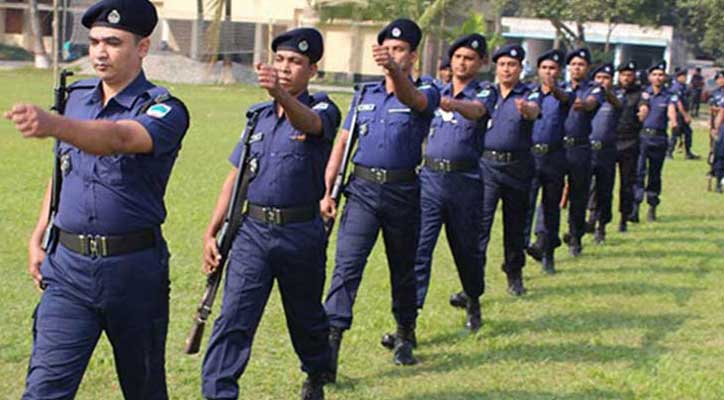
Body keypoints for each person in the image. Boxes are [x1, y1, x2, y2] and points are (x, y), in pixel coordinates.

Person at [4, 1, 190, 398]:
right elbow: (63, 172)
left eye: (113, 42)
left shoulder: (164, 108)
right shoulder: (76, 98)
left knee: (144, 390)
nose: (100, 52)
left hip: (133, 273)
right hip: (68, 271)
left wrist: (54, 123)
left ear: (142, 47)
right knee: (43, 390)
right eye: (94, 42)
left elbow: (120, 138)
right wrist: (39, 235)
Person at [199, 28, 340, 400]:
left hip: (300, 233)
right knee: (234, 317)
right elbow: (236, 176)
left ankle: (316, 371)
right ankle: (218, 392)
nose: (285, 67)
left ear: (312, 70)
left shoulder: (323, 109)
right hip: (253, 233)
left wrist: (280, 94)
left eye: (295, 62)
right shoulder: (257, 118)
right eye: (280, 60)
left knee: (305, 317)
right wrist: (212, 231)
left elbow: (309, 124)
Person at [322, 18, 440, 372]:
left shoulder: (427, 89)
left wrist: (394, 72)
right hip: (362, 191)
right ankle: (330, 344)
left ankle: (405, 332)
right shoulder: (364, 94)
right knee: (346, 267)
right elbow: (344, 142)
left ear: (413, 56)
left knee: (402, 268)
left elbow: (413, 99)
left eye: (399, 50)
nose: (392, 54)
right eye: (387, 49)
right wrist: (327, 189)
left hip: (402, 192)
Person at [407, 33, 490, 333]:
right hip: (430, 179)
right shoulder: (434, 91)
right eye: (457, 57)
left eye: (469, 58)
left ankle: (473, 298)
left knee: (466, 250)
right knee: (419, 250)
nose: (462, 63)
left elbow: (477, 111)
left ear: (481, 63)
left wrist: (451, 104)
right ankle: (408, 322)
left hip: (464, 182)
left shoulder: (484, 92)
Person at [476, 43, 541, 296]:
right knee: (480, 225)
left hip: (517, 167)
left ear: (520, 68)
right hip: (487, 167)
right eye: (502, 64)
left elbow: (534, 110)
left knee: (514, 225)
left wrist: (526, 110)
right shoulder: (487, 93)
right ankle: (473, 279)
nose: (506, 69)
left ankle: (514, 274)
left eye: (512, 65)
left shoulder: (529, 93)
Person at [523, 49, 570, 274]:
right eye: (544, 68)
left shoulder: (564, 95)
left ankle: (548, 253)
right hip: (530, 156)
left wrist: (554, 89)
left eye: (552, 68)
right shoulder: (529, 93)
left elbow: (567, 100)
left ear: (559, 71)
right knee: (525, 206)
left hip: (554, 157)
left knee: (551, 207)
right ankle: (522, 250)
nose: (548, 72)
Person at [561, 48, 604, 256]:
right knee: (550, 194)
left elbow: (589, 104)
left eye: (581, 65)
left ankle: (575, 236)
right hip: (558, 147)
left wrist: (581, 103)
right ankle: (545, 237)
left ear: (587, 68)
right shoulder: (560, 87)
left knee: (578, 195)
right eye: (574, 64)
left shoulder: (594, 89)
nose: (577, 68)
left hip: (579, 147)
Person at [631, 61, 678, 222]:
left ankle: (652, 206)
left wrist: (674, 122)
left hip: (659, 138)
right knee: (638, 172)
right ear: (650, 77)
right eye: (655, 74)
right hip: (642, 137)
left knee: (655, 174)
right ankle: (635, 207)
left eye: (661, 75)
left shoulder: (669, 95)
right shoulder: (643, 94)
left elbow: (672, 111)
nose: (658, 77)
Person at [585, 63, 623, 243]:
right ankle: (587, 221)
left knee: (604, 189)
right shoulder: (587, 98)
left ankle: (601, 226)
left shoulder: (615, 98)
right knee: (586, 188)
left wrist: (605, 93)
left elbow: (618, 104)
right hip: (588, 149)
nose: (602, 81)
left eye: (606, 78)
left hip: (606, 151)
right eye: (598, 78)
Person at [612, 61, 644, 232]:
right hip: (610, 141)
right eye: (623, 74)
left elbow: (644, 107)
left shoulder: (639, 94)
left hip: (630, 142)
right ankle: (597, 217)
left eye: (629, 75)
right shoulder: (611, 91)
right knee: (602, 183)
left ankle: (624, 217)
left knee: (627, 183)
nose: (626, 78)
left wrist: (643, 112)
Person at [667, 68, 697, 159]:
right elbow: (678, 102)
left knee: (688, 132)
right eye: (684, 76)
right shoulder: (676, 87)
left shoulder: (683, 87)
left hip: (682, 113)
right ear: (679, 77)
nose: (685, 78)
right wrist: (685, 115)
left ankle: (688, 152)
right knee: (675, 133)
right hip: (678, 114)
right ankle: (669, 152)